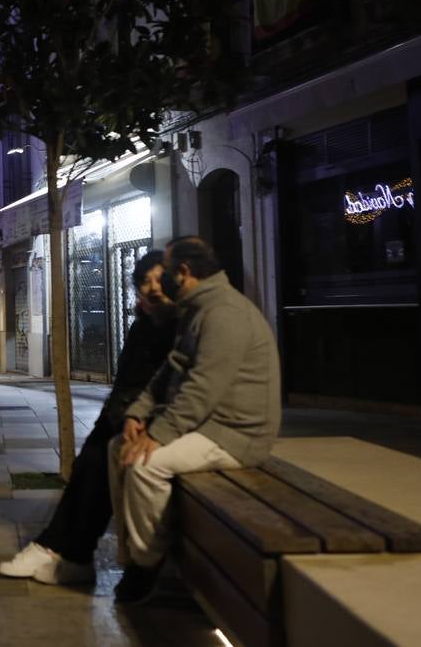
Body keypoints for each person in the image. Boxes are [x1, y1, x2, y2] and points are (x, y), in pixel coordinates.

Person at [108, 236, 281, 603]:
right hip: (209, 425)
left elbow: (202, 388)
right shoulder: (199, 308)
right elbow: (172, 370)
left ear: (183, 272)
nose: (161, 279)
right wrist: (139, 412)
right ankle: (133, 555)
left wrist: (158, 435)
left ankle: (148, 563)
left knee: (144, 464)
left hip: (234, 433)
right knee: (117, 449)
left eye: (167, 271)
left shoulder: (224, 313)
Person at [0, 250, 176, 585]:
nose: (151, 289)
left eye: (158, 280)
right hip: (126, 417)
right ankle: (68, 553)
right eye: (144, 282)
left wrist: (138, 421)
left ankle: (63, 551)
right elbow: (126, 384)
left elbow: (167, 387)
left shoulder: (178, 329)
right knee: (89, 465)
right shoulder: (144, 326)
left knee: (95, 465)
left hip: (155, 423)